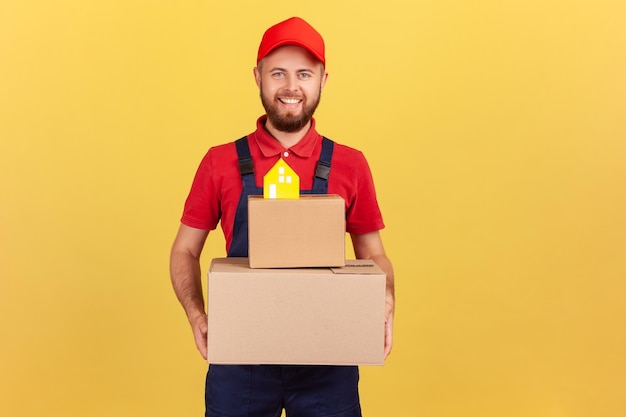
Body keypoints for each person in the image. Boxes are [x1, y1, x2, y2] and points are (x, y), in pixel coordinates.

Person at [170, 16, 395, 417]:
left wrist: (386, 300)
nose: (291, 87)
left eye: (304, 74)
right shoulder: (219, 162)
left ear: (323, 80)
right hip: (240, 361)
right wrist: (197, 315)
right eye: (279, 73)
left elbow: (374, 253)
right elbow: (185, 250)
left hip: (329, 359)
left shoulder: (350, 165)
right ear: (257, 77)